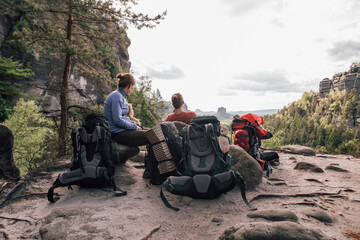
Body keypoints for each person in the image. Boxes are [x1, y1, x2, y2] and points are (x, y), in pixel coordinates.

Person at [104, 73, 148, 147]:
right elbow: (117, 120)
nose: (132, 90)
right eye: (133, 88)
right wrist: (134, 127)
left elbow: (121, 118)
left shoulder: (119, 96)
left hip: (120, 130)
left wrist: (132, 123)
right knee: (152, 136)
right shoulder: (117, 96)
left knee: (151, 132)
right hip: (117, 133)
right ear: (130, 86)